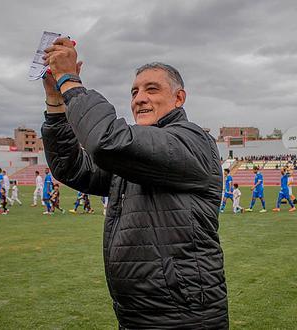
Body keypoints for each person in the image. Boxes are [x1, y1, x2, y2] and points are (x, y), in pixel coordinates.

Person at [41, 38, 227, 328]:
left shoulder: (192, 140)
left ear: (179, 98)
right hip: (135, 313)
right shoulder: (132, 156)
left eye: (152, 89)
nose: (139, 98)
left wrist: (70, 80)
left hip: (182, 316)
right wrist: (55, 101)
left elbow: (105, 141)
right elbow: (71, 167)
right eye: (134, 91)